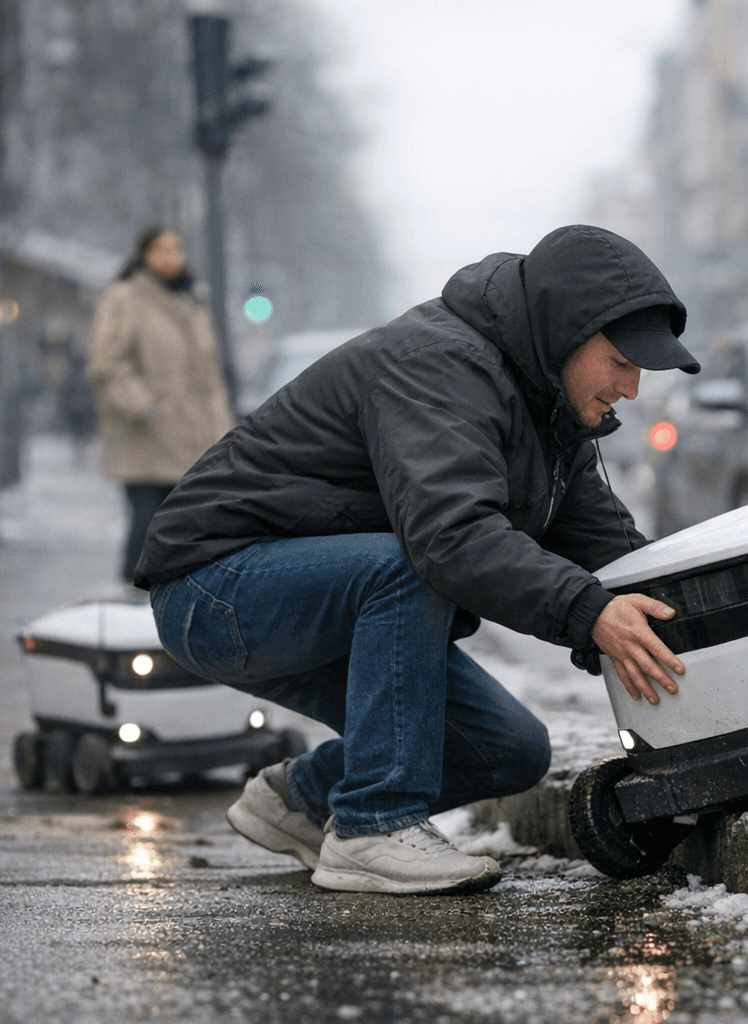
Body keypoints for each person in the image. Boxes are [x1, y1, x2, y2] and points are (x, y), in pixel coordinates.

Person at [137, 225, 697, 895]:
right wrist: (587, 613)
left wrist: (697, 616)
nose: (632, 388)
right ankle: (374, 824)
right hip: (214, 587)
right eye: (622, 361)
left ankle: (302, 801)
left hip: (324, 600)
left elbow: (612, 555)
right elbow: (450, 539)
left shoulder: (553, 415)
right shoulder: (441, 364)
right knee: (406, 564)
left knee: (509, 751)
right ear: (568, 331)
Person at [88, 227, 235, 581]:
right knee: (147, 525)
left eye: (177, 249)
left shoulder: (192, 299)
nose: (170, 258)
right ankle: (132, 602)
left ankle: (170, 604)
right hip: (146, 437)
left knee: (186, 527)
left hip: (195, 436)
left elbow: (209, 373)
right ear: (143, 254)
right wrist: (143, 406)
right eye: (160, 250)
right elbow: (106, 363)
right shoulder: (125, 297)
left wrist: (223, 426)